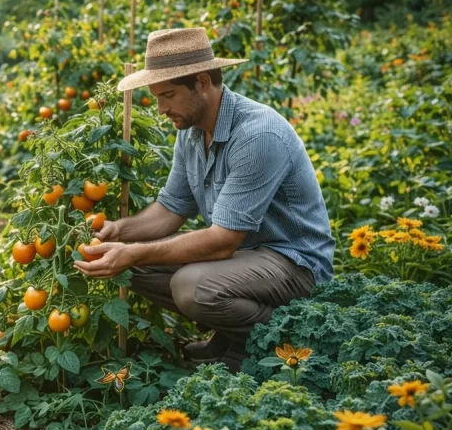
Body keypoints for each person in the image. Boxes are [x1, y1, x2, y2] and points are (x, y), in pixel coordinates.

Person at [74, 27, 333, 370]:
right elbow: (170, 209)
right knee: (132, 266)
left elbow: (222, 243)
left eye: (167, 95)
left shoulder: (256, 134)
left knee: (191, 287)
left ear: (201, 83)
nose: (161, 109)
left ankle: (286, 338)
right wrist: (118, 232)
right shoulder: (193, 130)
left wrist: (133, 251)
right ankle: (230, 334)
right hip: (245, 258)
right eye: (156, 97)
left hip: (293, 263)